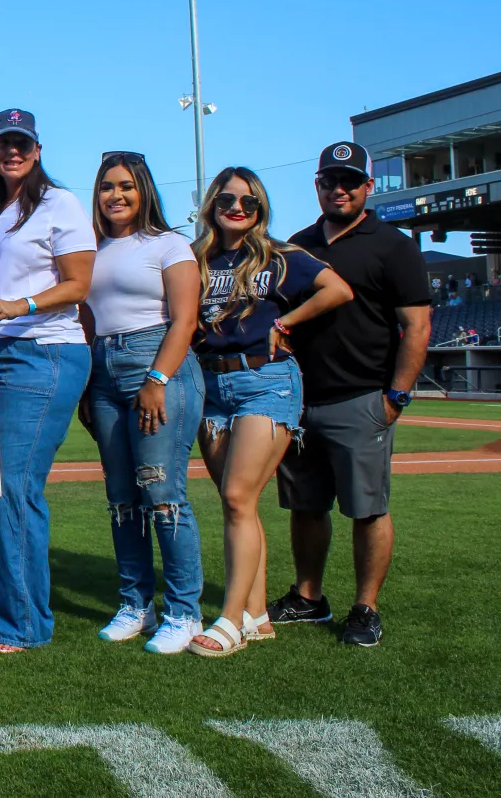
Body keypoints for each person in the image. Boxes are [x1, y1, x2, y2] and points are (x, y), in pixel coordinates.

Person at [187, 167, 353, 658]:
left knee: (239, 496)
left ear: (261, 210)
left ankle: (230, 620)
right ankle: (257, 615)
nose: (237, 208)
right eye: (228, 199)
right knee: (236, 503)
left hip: (267, 381)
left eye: (249, 202)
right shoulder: (194, 257)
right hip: (211, 383)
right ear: (212, 203)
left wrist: (287, 320)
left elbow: (338, 290)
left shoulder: (280, 256)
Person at [274, 142, 432, 649]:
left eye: (349, 181)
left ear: (368, 186)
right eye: (329, 181)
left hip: (360, 397)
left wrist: (396, 397)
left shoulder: (393, 245)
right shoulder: (296, 245)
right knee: (305, 505)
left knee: (367, 509)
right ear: (316, 186)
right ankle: (308, 597)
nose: (339, 189)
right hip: (299, 399)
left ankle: (366, 607)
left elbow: (417, 325)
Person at [0, 109, 95, 654]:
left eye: (22, 143)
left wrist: (20, 304)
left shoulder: (59, 202)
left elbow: (79, 283)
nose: (13, 152)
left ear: (37, 150)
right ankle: (11, 612)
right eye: (3, 144)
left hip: (43, 352)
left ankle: (23, 624)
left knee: (13, 486)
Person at [81, 152, 206, 654]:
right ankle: (136, 603)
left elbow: (185, 320)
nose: (116, 195)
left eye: (127, 186)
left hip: (155, 363)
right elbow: (89, 317)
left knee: (162, 494)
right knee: (121, 501)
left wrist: (157, 377)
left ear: (144, 191)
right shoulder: (89, 249)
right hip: (105, 371)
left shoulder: (169, 244)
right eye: (107, 187)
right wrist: (91, 385)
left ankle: (184, 612)